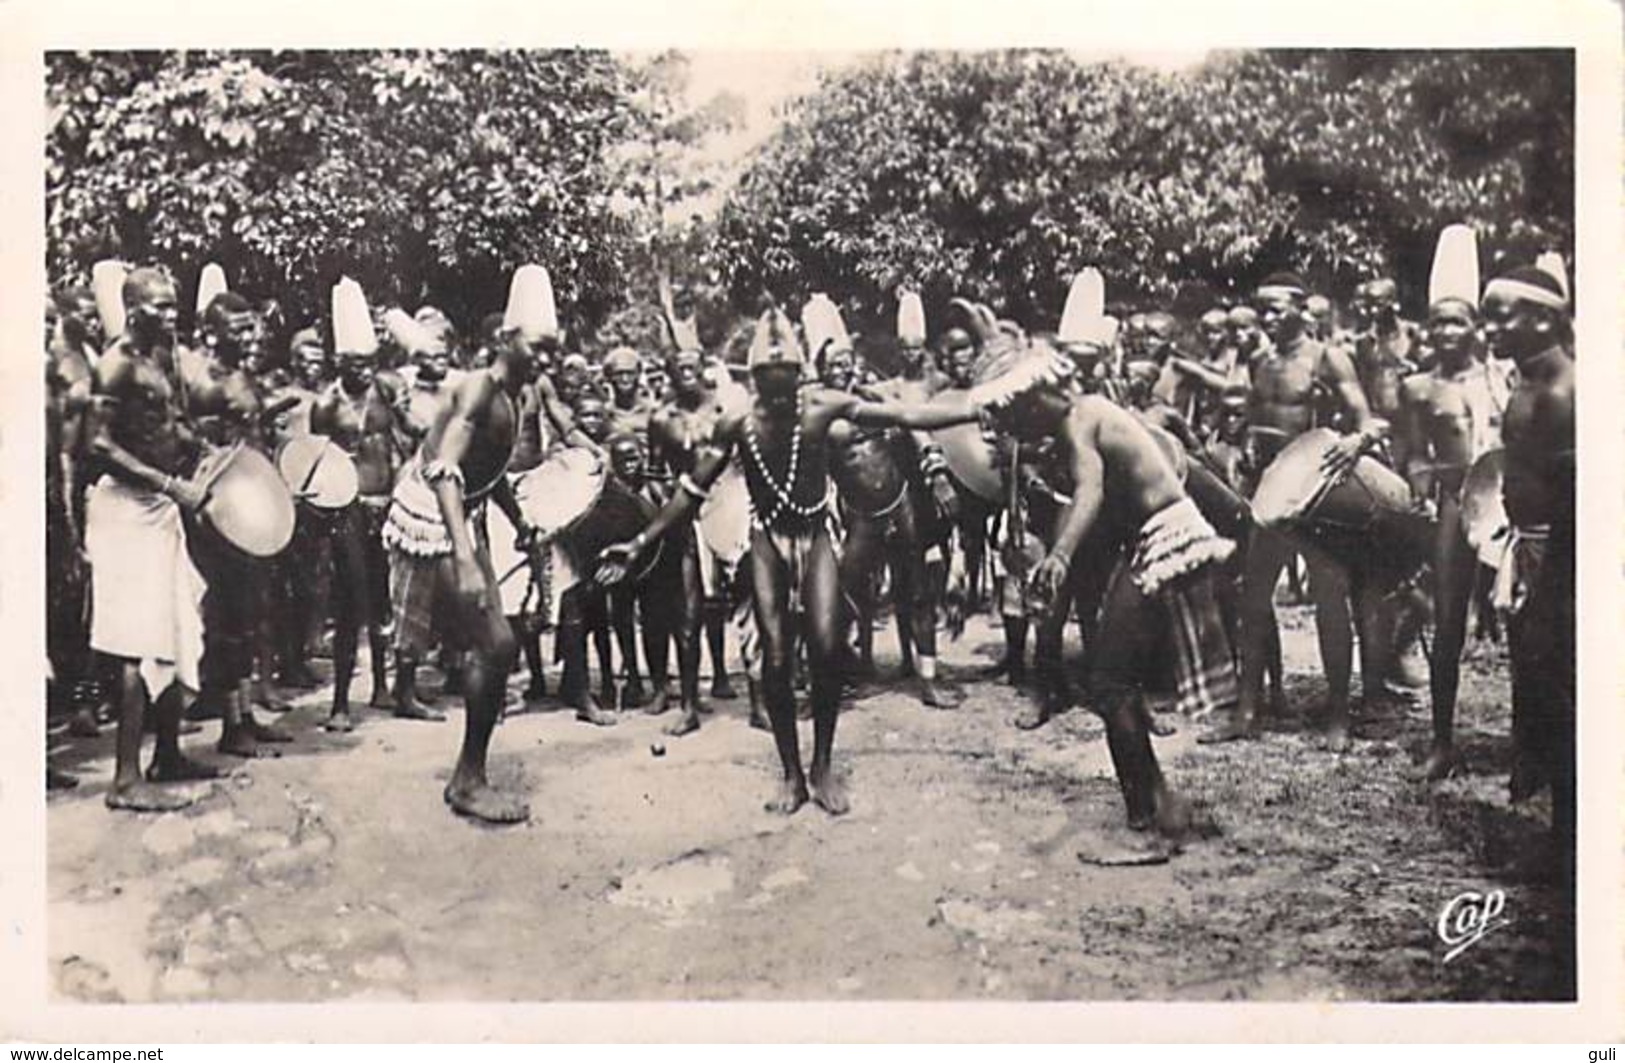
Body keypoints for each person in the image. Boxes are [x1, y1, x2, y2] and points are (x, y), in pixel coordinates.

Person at [598, 307, 983, 816]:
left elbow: (907, 416)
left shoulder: (822, 407)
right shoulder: (738, 423)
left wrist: (979, 409)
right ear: (755, 380)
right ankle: (791, 774)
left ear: (800, 377)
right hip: (768, 539)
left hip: (816, 532)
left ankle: (822, 765)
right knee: (777, 657)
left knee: (826, 647)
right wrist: (641, 542)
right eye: (770, 386)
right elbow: (691, 491)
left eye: (788, 385)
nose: (780, 397)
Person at [963, 303, 1235, 853]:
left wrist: (1060, 553)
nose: (1019, 429)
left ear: (1033, 396)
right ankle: (1158, 805)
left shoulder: (1081, 417)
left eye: (1016, 416)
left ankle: (1149, 827)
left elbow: (1090, 491)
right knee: (1115, 682)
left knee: (1110, 684)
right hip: (1153, 542)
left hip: (1166, 541)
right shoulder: (1084, 411)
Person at [1202, 273, 1388, 750]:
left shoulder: (1327, 358)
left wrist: (1355, 441)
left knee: (1330, 600)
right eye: (1259, 307)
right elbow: (1254, 418)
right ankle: (1247, 710)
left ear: (1301, 310)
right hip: (1269, 490)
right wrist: (1243, 442)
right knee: (1253, 599)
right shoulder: (1258, 360)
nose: (1265, 316)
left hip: (1315, 491)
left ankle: (1339, 716)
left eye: (1274, 308)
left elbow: (1368, 418)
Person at [379, 316, 544, 824]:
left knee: (495, 645)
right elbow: (445, 471)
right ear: (505, 339)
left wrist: (519, 520)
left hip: (459, 513)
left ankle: (470, 774)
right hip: (434, 512)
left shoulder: (517, 393)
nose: (547, 357)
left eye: (554, 348)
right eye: (538, 346)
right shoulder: (477, 389)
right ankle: (468, 780)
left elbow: (484, 469)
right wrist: (465, 556)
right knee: (494, 644)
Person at [85, 267, 218, 810]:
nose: (172, 314)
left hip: (163, 508)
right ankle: (124, 778)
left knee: (176, 627)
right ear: (133, 308)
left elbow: (166, 424)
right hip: (126, 510)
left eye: (174, 305)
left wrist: (200, 450)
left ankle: (167, 753)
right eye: (160, 307)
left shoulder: (162, 358)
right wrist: (169, 483)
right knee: (134, 640)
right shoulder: (114, 365)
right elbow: (97, 445)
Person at [813, 301, 962, 709]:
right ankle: (835, 677)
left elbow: (912, 423)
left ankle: (928, 679)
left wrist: (937, 473)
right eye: (833, 364)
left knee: (918, 593)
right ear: (820, 369)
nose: (842, 369)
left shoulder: (873, 397)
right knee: (843, 597)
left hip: (902, 505)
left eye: (846, 361)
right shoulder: (814, 413)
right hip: (860, 516)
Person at [1480, 264, 1574, 867]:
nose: (1490, 326)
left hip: (1558, 559)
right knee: (1537, 686)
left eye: (1501, 315)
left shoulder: (1563, 392)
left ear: (1542, 318)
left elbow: (1576, 503)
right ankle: (1558, 826)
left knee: (1560, 689)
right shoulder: (1527, 380)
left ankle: (1569, 837)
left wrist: (1551, 592)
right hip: (1532, 551)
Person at [310, 284, 418, 731]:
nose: (363, 371)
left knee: (384, 601)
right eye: (355, 364)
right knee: (351, 604)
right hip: (347, 509)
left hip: (386, 503)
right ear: (340, 363)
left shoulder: (388, 389)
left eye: (369, 363)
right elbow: (315, 463)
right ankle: (339, 703)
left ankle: (382, 686)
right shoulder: (326, 404)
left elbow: (414, 434)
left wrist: (403, 411)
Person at [646, 346, 744, 734]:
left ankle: (759, 701)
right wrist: (670, 500)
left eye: (692, 365)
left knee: (753, 602)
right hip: (686, 510)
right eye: (678, 366)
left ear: (703, 369)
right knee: (688, 611)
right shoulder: (661, 418)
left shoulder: (727, 410)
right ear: (668, 371)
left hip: (732, 502)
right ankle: (688, 706)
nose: (686, 372)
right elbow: (653, 472)